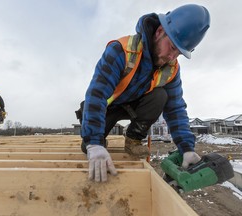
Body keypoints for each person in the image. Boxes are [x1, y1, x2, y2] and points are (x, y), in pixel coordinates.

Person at [76, 4, 211, 182]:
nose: (172, 57)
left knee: (161, 96)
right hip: (108, 107)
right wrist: (94, 141)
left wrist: (187, 148)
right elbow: (97, 94)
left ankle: (133, 139)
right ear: (159, 31)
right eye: (171, 47)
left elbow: (176, 108)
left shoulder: (171, 68)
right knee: (90, 145)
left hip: (134, 106)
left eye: (178, 53)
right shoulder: (122, 50)